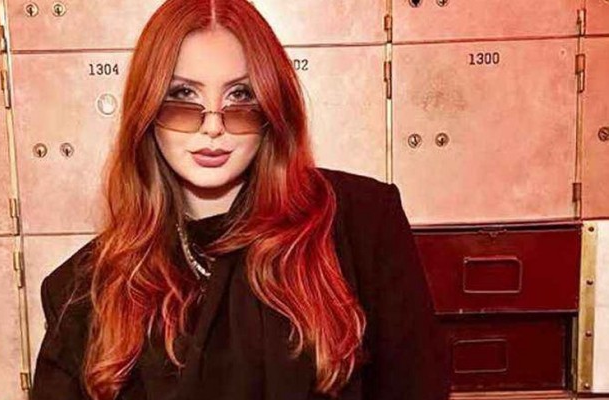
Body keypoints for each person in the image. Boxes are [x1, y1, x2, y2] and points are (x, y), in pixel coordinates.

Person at [30, 0, 450, 399]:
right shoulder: (83, 291)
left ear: (272, 107)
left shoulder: (362, 225)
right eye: (183, 96)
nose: (213, 126)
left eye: (240, 96)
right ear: (147, 110)